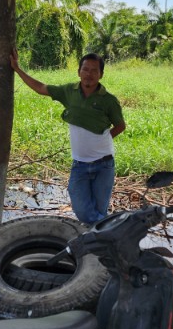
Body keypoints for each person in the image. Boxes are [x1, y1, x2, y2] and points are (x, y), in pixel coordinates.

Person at [11, 50, 126, 224]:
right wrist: (18, 69)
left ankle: (98, 244)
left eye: (94, 70)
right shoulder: (69, 92)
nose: (89, 74)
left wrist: (101, 140)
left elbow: (120, 126)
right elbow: (41, 88)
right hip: (79, 164)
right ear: (79, 71)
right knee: (82, 210)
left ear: (101, 74)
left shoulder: (109, 100)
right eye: (85, 69)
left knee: (98, 211)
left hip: (104, 165)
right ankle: (113, 228)